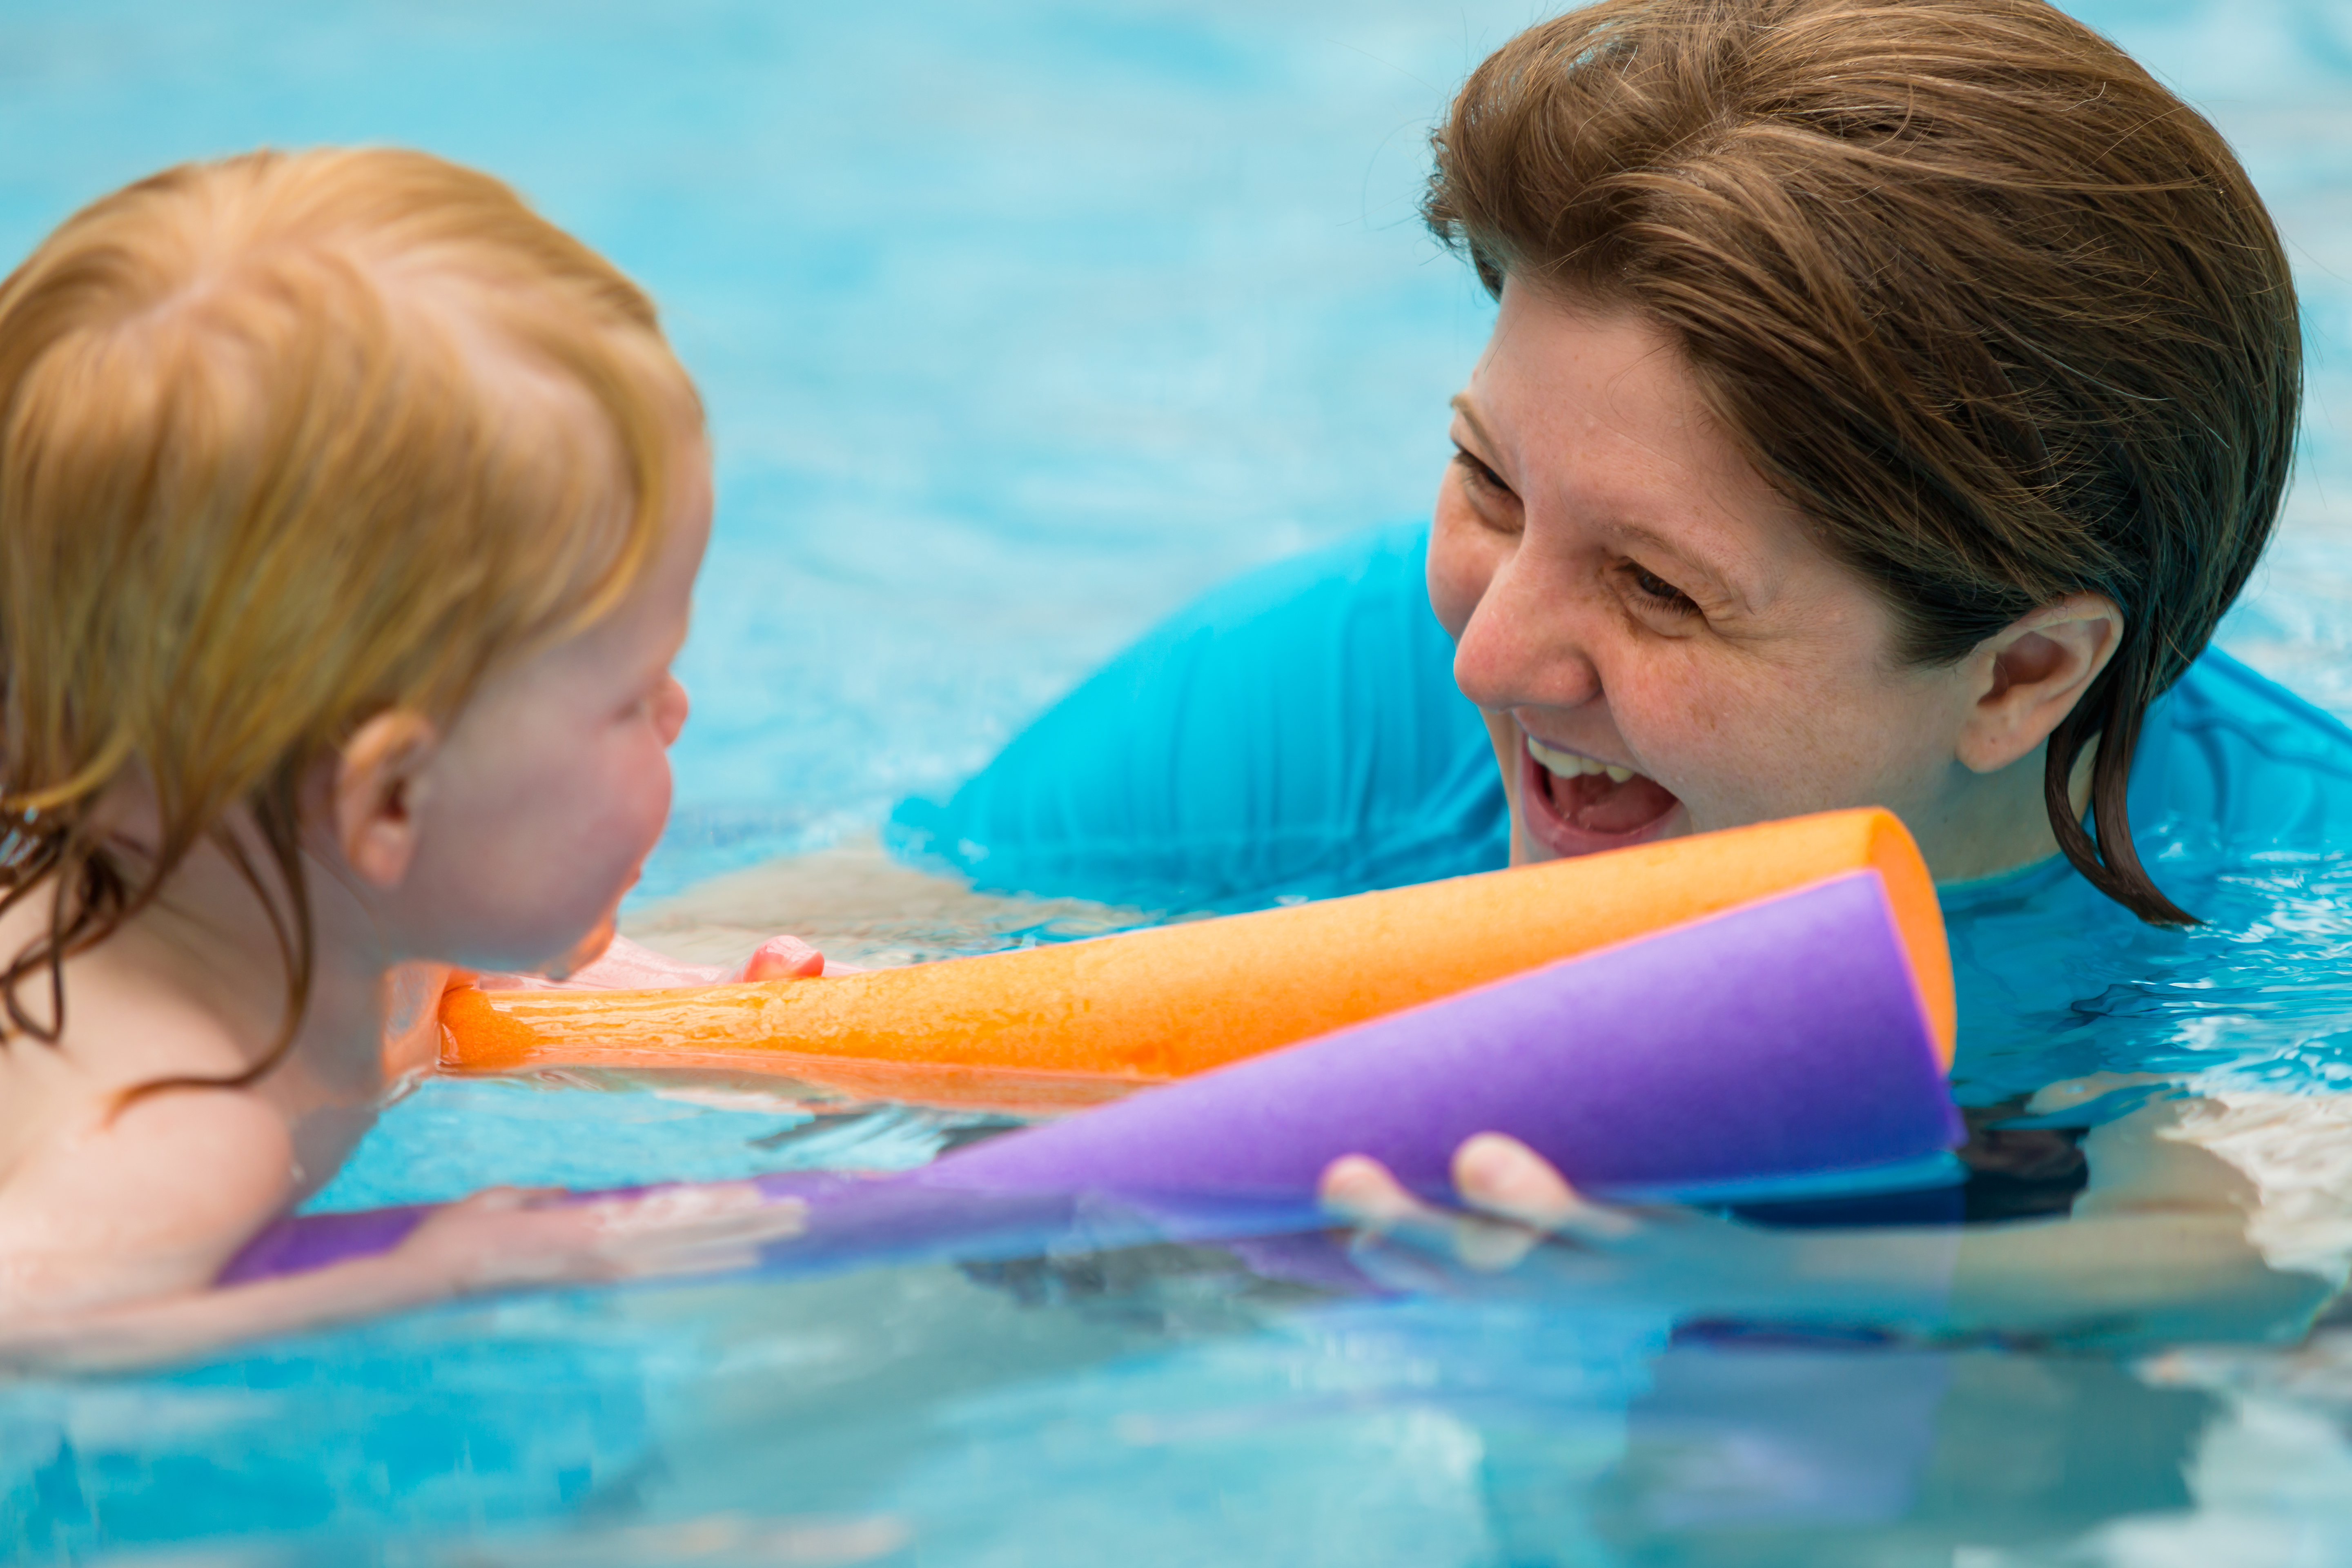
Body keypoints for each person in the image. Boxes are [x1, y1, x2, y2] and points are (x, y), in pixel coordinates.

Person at [895, 0, 2352, 1342]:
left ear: (2019, 677)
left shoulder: (2296, 903)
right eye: (1488, 483)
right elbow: (773, 994)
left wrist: (1736, 1279)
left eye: (1658, 588)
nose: (1488, 655)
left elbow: (2279, 1253)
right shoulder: (1332, 699)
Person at [0, 148, 815, 1366]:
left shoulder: (316, 893)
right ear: (389, 799)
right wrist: (420, 1275)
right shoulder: (185, 1124)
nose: (681, 711)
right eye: (634, 694)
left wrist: (703, 1022)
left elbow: (467, 976)